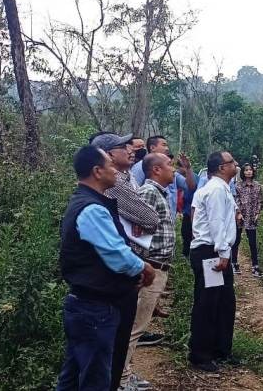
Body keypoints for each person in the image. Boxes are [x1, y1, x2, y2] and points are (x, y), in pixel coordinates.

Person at [56, 146, 156, 391]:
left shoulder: (86, 203)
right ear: (97, 171)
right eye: (110, 165)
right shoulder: (92, 209)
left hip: (86, 306)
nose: (116, 171)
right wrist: (145, 267)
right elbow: (117, 256)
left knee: (74, 374)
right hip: (95, 310)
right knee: (95, 378)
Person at [88, 133, 159, 391]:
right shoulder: (113, 185)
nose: (130, 150)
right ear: (104, 157)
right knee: (117, 336)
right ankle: (119, 379)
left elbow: (144, 218)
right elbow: (150, 218)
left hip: (125, 269)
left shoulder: (124, 179)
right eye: (122, 147)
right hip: (119, 275)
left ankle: (120, 376)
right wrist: (140, 220)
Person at [119, 153, 177, 391]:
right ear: (155, 170)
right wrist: (142, 266)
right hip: (150, 267)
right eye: (169, 165)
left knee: (138, 324)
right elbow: (135, 234)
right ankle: (121, 379)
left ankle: (125, 373)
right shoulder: (148, 193)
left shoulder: (160, 193)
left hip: (158, 267)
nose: (173, 169)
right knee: (135, 327)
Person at [187, 151, 239, 372]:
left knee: (224, 302)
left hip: (214, 251)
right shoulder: (216, 189)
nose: (236, 164)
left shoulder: (219, 188)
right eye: (232, 162)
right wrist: (224, 254)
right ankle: (200, 354)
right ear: (221, 168)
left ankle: (220, 348)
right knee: (208, 303)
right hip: (211, 253)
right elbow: (217, 223)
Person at [131, 135, 196, 219]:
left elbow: (190, 186)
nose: (167, 148)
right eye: (164, 145)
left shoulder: (171, 171)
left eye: (167, 145)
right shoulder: (140, 167)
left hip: (169, 223)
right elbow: (133, 194)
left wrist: (188, 168)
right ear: (152, 148)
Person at [233, 163, 263, 278]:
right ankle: (234, 263)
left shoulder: (258, 186)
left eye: (250, 170)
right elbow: (236, 200)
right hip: (240, 217)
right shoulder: (238, 186)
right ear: (243, 172)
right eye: (246, 170)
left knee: (252, 243)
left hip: (252, 217)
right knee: (236, 241)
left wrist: (257, 213)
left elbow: (260, 201)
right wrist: (239, 213)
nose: (248, 172)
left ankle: (255, 267)